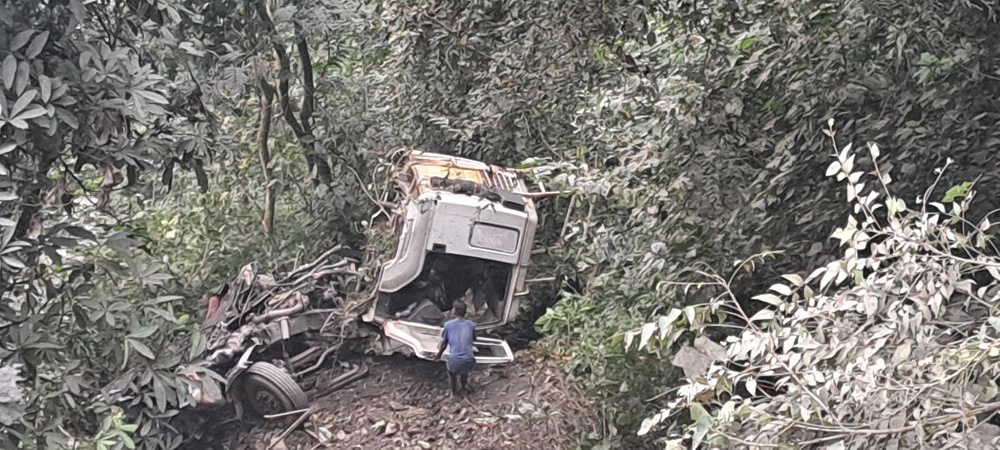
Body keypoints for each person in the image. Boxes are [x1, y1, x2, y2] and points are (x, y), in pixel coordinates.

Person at [435, 301, 477, 395]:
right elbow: (473, 339)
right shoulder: (471, 325)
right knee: (464, 370)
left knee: (451, 372)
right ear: (465, 312)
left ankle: (453, 391)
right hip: (469, 361)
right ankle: (463, 386)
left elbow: (443, 344)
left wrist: (438, 355)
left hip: (455, 361)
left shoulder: (448, 325)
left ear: (454, 311)